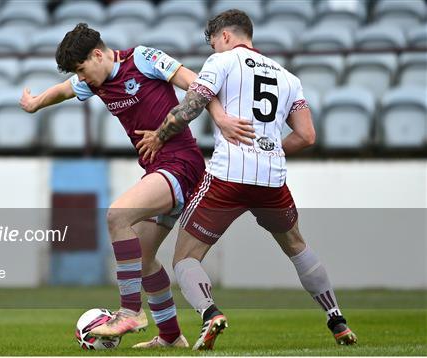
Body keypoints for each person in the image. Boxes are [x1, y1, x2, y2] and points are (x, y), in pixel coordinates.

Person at [19, 23, 255, 348]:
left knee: (117, 216)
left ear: (98, 54)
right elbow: (63, 90)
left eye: (82, 68)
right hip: (158, 169)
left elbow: (197, 84)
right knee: (143, 259)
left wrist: (221, 118)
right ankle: (171, 338)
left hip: (181, 163)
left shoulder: (142, 59)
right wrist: (35, 104)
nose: (81, 77)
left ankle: (130, 311)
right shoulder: (96, 81)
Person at [136, 9, 358, 351]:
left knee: (185, 258)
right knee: (297, 246)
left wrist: (159, 137)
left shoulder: (221, 62)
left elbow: (191, 106)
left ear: (224, 36)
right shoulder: (288, 77)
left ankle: (211, 314)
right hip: (271, 179)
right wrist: (269, 151)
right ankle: (337, 319)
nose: (214, 47)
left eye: (213, 41)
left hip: (228, 176)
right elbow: (307, 135)